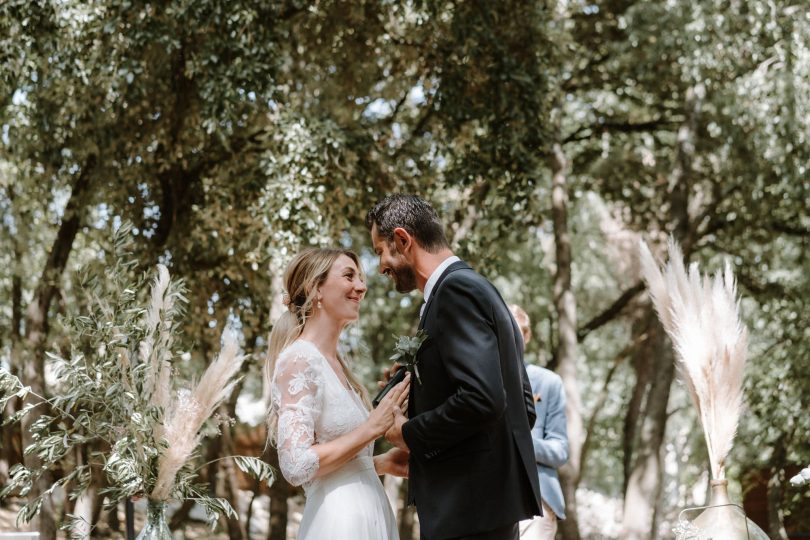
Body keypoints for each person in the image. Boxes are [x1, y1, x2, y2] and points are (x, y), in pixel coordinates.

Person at [367, 194, 542, 540]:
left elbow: (482, 400)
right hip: (485, 508)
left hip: (466, 508)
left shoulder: (454, 292)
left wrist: (408, 433)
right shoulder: (477, 288)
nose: (381, 267)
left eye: (379, 252)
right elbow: (521, 408)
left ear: (403, 240)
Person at [265, 248, 410, 540]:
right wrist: (371, 428)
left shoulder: (338, 367)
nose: (361, 286)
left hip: (371, 514)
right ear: (315, 288)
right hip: (339, 522)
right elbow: (295, 465)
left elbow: (335, 457)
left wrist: (379, 463)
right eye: (348, 276)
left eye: (360, 277)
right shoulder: (299, 360)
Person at [508, 305, 569, 540]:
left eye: (517, 331)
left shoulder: (549, 382)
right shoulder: (479, 380)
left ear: (527, 336)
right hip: (488, 499)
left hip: (537, 501)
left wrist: (517, 440)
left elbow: (560, 450)